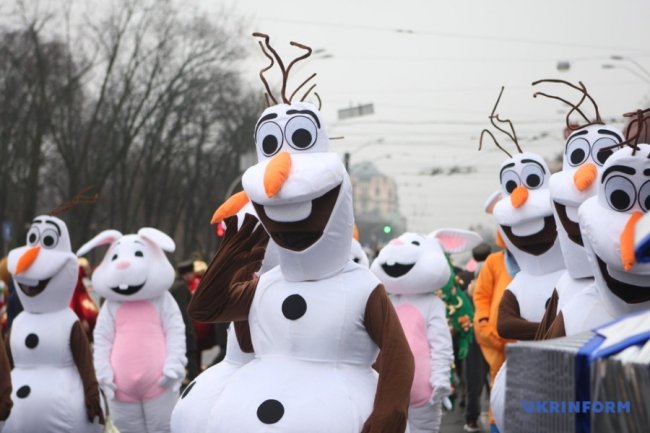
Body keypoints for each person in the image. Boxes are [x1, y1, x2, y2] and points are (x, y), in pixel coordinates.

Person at [463, 243, 491, 433]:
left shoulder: (469, 280)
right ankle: (495, 413)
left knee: (474, 377)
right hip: (493, 331)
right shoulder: (496, 268)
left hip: (474, 333)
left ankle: (472, 418)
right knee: (496, 374)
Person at [170, 261, 199, 382]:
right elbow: (183, 310)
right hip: (183, 327)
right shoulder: (181, 287)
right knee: (191, 353)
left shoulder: (174, 285)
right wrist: (189, 330)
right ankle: (193, 378)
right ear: (187, 274)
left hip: (173, 326)